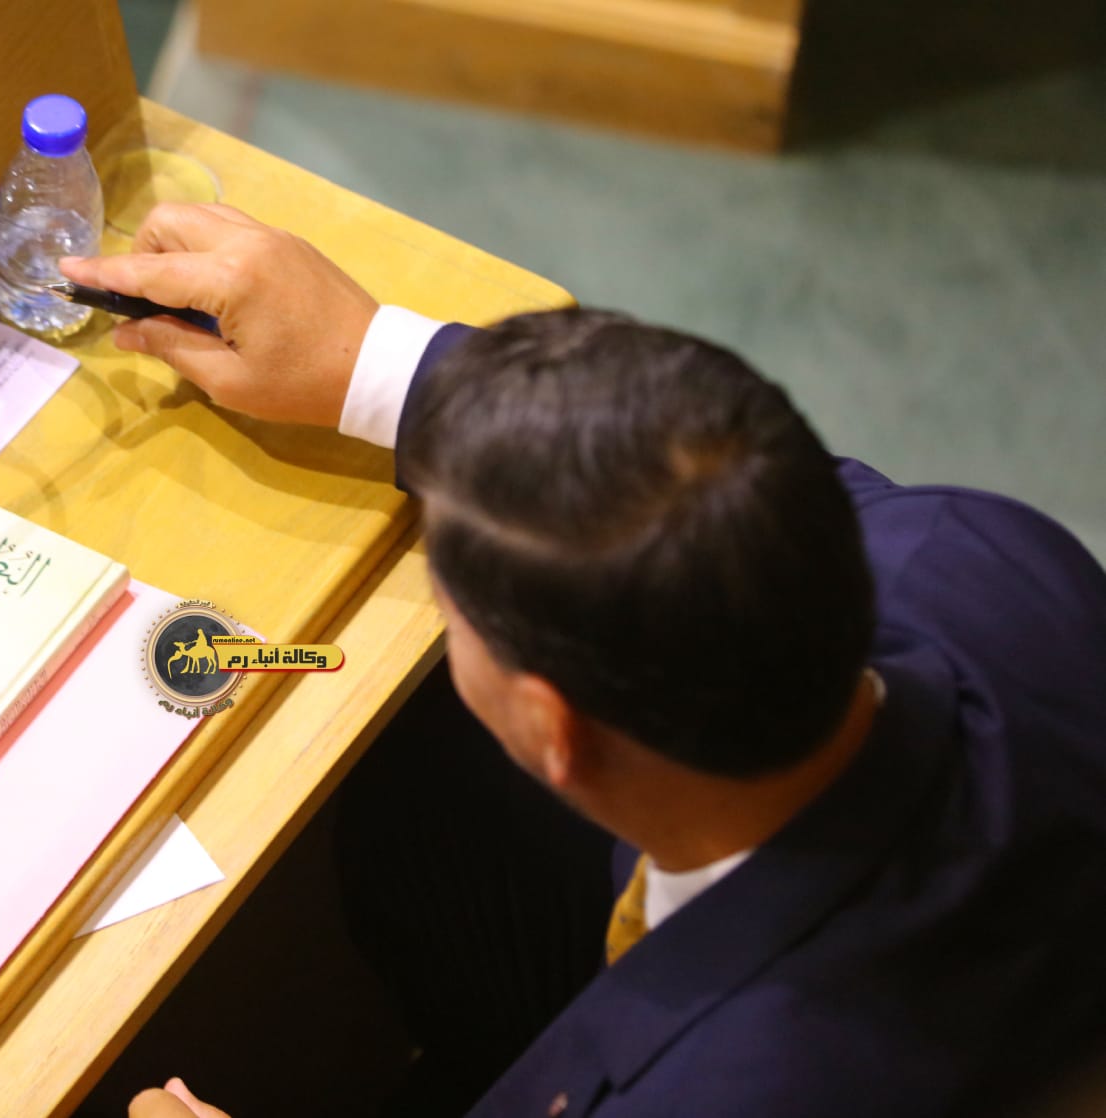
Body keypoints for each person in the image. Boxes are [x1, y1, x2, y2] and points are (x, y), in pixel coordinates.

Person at [59, 204, 1106, 1118]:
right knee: (416, 797)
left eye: (451, 608)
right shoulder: (990, 558)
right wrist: (372, 359)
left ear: (553, 729)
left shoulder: (720, 1086)